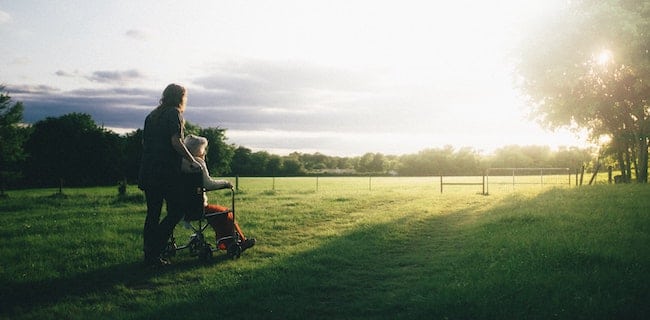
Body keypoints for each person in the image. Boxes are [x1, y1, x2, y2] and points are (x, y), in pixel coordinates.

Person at [138, 83, 201, 267]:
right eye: (185, 96)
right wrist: (192, 160)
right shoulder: (174, 114)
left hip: (148, 170)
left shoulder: (152, 115)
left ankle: (150, 254)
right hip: (165, 173)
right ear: (180, 97)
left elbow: (145, 143)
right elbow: (176, 141)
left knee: (153, 214)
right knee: (177, 210)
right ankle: (156, 249)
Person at [181, 134, 256, 252]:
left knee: (218, 213)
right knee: (226, 213)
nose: (204, 151)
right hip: (198, 206)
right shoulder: (198, 163)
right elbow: (209, 184)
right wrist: (226, 183)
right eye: (203, 148)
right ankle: (235, 241)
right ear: (196, 149)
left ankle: (231, 241)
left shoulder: (180, 163)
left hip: (181, 206)